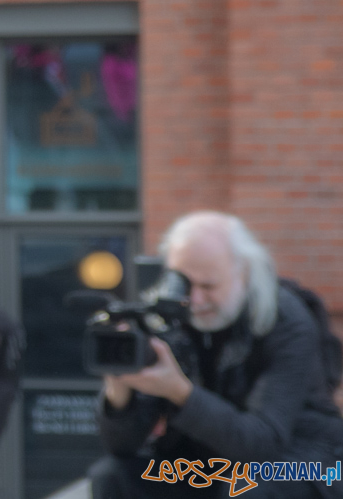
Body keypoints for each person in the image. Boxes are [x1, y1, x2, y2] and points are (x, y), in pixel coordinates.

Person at [89, 211, 343, 499]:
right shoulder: (169, 314)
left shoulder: (287, 319)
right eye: (184, 283)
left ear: (244, 272)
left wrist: (179, 391)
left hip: (300, 462)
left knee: (248, 489)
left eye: (208, 286)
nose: (195, 300)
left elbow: (262, 443)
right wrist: (119, 387)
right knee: (111, 476)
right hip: (206, 464)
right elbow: (121, 447)